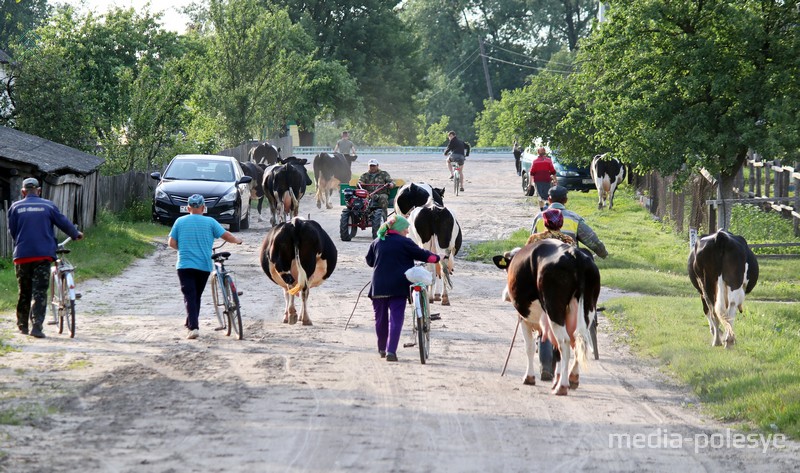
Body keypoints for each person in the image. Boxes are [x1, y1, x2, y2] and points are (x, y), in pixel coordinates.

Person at [529, 185, 607, 380]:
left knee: (544, 308)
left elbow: (529, 249)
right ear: (566, 200)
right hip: (571, 270)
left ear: (548, 199)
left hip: (543, 271)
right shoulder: (574, 218)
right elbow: (592, 240)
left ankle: (546, 360)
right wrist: (602, 252)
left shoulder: (539, 218)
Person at [8, 177, 84, 338]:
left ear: (23, 192)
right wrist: (75, 234)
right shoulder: (48, 206)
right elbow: (63, 223)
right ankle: (36, 327)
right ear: (39, 190)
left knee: (24, 291)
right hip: (43, 255)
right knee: (39, 291)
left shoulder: (15, 207)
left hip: (22, 255)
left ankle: (22, 325)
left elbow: (13, 232)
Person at [365, 215, 440, 362]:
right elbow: (424, 255)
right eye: (406, 228)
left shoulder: (377, 241)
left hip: (378, 286)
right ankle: (391, 351)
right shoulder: (405, 242)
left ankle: (381, 348)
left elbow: (369, 261)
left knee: (380, 319)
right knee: (396, 318)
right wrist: (438, 257)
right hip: (398, 287)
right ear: (399, 229)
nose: (407, 232)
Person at [168, 194, 243, 340]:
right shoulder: (210, 222)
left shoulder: (180, 221)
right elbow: (226, 236)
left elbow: (171, 243)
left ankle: (193, 327)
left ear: (188, 208)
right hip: (203, 266)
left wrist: (183, 249)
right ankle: (191, 322)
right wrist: (237, 240)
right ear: (203, 208)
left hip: (185, 264)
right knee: (196, 295)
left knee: (189, 295)